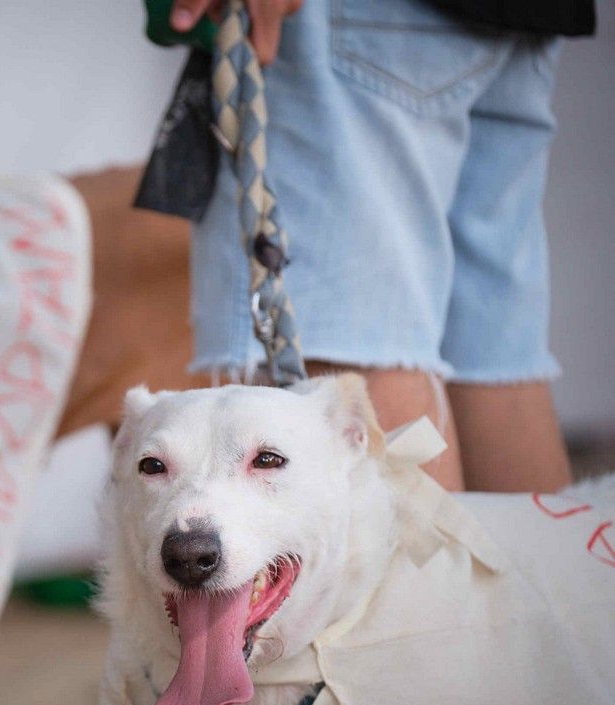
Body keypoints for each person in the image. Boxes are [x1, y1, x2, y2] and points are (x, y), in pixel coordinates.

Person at [167, 0, 594, 493]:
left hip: (352, 21)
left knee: (354, 357)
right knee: (493, 359)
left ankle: (415, 548)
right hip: (529, 21)